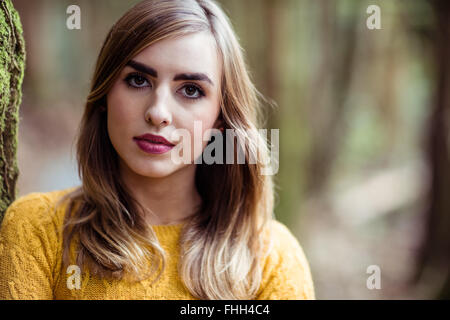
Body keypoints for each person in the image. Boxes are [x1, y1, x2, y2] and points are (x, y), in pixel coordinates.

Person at [0, 0, 315, 300]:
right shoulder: (38, 230)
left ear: (220, 120)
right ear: (104, 96)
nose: (158, 112)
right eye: (138, 80)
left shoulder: (272, 257)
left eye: (190, 90)